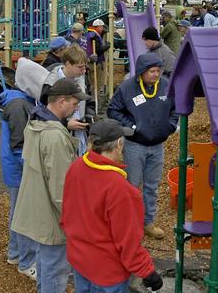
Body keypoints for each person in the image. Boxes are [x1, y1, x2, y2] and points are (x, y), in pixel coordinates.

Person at [61, 120, 163, 293]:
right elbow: (128, 241)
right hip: (107, 272)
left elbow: (67, 213)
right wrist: (147, 272)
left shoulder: (76, 167)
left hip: (79, 260)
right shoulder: (121, 190)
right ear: (119, 144)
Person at [12, 78, 91, 293]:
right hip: (53, 216)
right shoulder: (55, 137)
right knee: (55, 270)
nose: (76, 109)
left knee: (45, 264)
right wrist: (73, 220)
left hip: (38, 208)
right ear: (62, 101)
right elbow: (61, 187)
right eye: (75, 104)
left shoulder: (35, 122)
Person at [108, 54, 179, 239]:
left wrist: (170, 125)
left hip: (157, 146)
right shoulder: (127, 88)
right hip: (135, 145)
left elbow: (175, 108)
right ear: (142, 72)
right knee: (132, 186)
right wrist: (132, 127)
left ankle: (148, 222)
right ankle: (129, 223)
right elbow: (113, 109)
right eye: (152, 71)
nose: (156, 74)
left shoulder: (165, 85)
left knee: (152, 186)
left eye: (158, 70)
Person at [0, 58, 45, 281]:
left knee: (17, 212)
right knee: (25, 216)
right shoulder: (19, 106)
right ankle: (26, 261)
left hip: (16, 167)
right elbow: (19, 144)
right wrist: (30, 169)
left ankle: (15, 254)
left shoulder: (21, 101)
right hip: (20, 169)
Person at [40, 45, 95, 156]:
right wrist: (66, 124)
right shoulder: (51, 84)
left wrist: (90, 117)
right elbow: (45, 114)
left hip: (81, 133)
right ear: (68, 64)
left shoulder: (83, 77)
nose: (84, 71)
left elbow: (89, 101)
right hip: (60, 134)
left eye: (85, 67)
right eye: (80, 67)